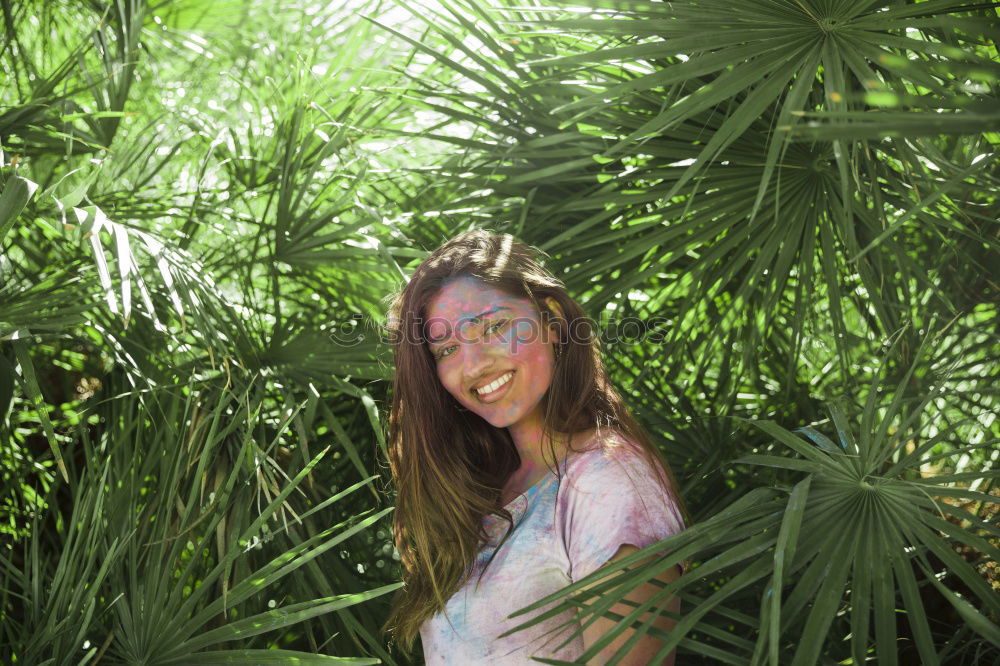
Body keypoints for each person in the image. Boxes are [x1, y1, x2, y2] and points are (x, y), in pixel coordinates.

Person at [382, 229, 687, 664]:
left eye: (495, 326)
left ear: (553, 321)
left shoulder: (607, 480)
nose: (473, 365)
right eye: (446, 348)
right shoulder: (484, 489)